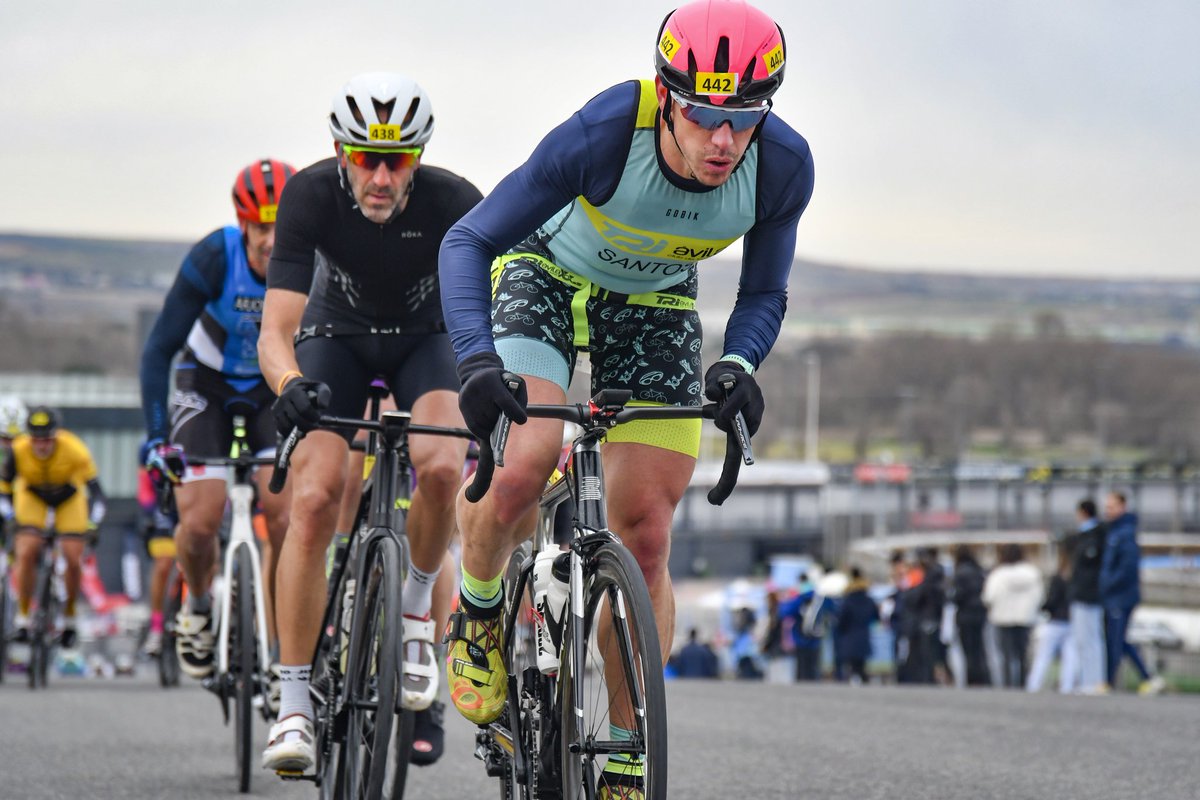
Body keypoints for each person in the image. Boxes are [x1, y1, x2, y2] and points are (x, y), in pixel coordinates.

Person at [439, 0, 812, 792]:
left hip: (654, 300)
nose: (724, 141)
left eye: (744, 118)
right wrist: (476, 361)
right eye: (706, 114)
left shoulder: (782, 165)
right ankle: (475, 609)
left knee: (644, 537)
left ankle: (624, 741)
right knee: (525, 461)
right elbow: (467, 238)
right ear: (668, 95)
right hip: (545, 273)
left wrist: (741, 361)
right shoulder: (607, 131)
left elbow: (763, 289)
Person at [257, 72, 482, 772]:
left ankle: (416, 612)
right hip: (338, 336)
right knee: (317, 497)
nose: (381, 177)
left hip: (426, 337)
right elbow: (275, 332)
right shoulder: (310, 195)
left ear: (419, 156)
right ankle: (293, 701)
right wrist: (289, 384)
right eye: (364, 159)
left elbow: (491, 311)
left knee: (442, 463)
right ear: (339, 151)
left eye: (398, 160)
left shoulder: (454, 200)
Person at [139, 158, 296, 682]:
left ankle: (279, 650)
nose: (272, 241)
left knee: (282, 516)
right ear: (243, 223)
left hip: (274, 388)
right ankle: (199, 605)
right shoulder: (214, 256)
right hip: (205, 384)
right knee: (200, 520)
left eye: (282, 227)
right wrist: (158, 437)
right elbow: (158, 350)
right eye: (261, 228)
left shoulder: (310, 260)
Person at [0, 407, 106, 648]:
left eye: (47, 438)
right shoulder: (18, 451)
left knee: (72, 556)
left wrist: (93, 524)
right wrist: (10, 517)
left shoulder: (75, 449)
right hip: (32, 497)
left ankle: (69, 617)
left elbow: (98, 495)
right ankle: (24, 616)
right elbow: (3, 492)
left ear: (56, 435)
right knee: (26, 550)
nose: (41, 445)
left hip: (68, 499)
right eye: (36, 439)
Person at [1099, 491, 1163, 694]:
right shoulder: (1114, 531)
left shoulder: (1124, 533)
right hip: (1115, 595)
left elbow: (1126, 568)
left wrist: (1107, 584)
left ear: (1122, 507)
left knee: (1115, 640)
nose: (1107, 511)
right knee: (1119, 640)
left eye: (1111, 507)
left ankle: (1109, 682)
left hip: (1121, 596)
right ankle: (1147, 678)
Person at [982, 543, 1043, 688]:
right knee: (1023, 654)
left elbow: (989, 597)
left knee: (1006, 654)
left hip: (1002, 618)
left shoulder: (998, 574)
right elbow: (1040, 596)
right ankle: (1023, 682)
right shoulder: (1032, 573)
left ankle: (1008, 683)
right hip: (1025, 618)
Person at [135, 467, 177, 657]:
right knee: (163, 564)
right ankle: (156, 627)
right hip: (164, 507)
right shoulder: (151, 441)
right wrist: (149, 511)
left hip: (196, 499)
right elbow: (144, 485)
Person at [1066, 498, 1106, 694]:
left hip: (1086, 594)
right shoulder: (1095, 535)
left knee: (1088, 639)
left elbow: (1086, 568)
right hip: (1089, 594)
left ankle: (1092, 682)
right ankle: (1089, 680)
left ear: (1082, 512)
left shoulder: (1092, 536)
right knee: (1089, 639)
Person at [1025, 547, 1074, 692]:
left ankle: (1033, 685)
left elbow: (1051, 600)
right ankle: (1067, 687)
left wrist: (1043, 608)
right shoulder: (1076, 579)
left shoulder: (1057, 578)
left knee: (1043, 656)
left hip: (1055, 621)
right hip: (1072, 622)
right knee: (1070, 658)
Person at [949, 544, 990, 687]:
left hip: (965, 615)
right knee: (979, 649)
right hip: (980, 614)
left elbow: (957, 596)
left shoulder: (960, 573)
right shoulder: (979, 571)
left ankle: (971, 678)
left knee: (968, 649)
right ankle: (983, 678)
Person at [833, 566, 879, 684]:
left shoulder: (847, 600)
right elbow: (876, 617)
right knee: (861, 664)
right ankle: (863, 680)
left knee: (851, 665)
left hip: (849, 635)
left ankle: (852, 680)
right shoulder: (869, 600)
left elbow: (841, 620)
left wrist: (840, 629)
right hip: (864, 634)